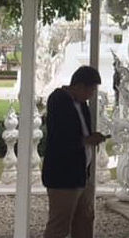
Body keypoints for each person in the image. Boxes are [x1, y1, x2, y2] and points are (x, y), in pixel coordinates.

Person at [42, 65, 108, 238]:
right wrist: (86, 140)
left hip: (81, 174)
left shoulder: (82, 104)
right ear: (79, 86)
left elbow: (81, 132)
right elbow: (59, 138)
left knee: (84, 221)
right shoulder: (58, 100)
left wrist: (92, 137)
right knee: (59, 224)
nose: (92, 94)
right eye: (91, 89)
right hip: (63, 176)